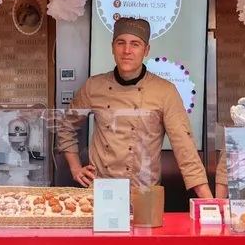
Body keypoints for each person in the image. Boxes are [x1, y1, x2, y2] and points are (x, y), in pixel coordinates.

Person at [57, 17, 212, 199]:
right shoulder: (94, 86)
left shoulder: (165, 91)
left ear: (146, 50)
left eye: (135, 44)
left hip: (143, 195)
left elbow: (185, 148)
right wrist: (75, 168)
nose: (127, 51)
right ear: (112, 47)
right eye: (121, 43)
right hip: (100, 192)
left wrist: (209, 202)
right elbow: (66, 126)